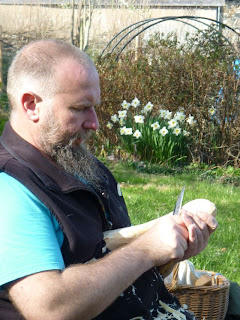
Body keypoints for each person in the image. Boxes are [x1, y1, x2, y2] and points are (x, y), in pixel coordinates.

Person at [0, 39, 218, 320]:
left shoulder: (75, 160)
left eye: (94, 107)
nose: (94, 123)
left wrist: (169, 251)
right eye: (79, 108)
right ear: (31, 105)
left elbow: (108, 261)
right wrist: (147, 249)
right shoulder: (11, 190)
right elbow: (49, 309)